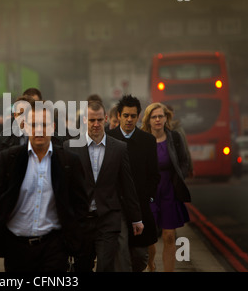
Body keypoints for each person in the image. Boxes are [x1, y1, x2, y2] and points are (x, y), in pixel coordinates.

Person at [0, 101, 89, 272]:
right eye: (34, 125)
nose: (39, 130)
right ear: (24, 127)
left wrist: (77, 243)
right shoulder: (9, 159)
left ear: (53, 127)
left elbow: (79, 205)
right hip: (17, 247)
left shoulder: (68, 162)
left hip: (53, 246)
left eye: (44, 124)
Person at [64, 101, 143, 272]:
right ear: (85, 120)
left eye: (100, 120)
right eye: (92, 120)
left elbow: (127, 185)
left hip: (108, 219)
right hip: (81, 221)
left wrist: (136, 218)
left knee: (106, 266)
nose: (96, 124)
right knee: (81, 267)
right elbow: (65, 187)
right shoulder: (70, 147)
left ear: (106, 119)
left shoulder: (119, 148)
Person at [107, 95, 161, 272]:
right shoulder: (108, 139)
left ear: (138, 117)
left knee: (140, 256)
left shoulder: (148, 141)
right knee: (121, 253)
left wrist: (146, 197)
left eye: (133, 116)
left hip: (140, 205)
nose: (129, 119)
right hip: (116, 206)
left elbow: (154, 174)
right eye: (125, 115)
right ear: (119, 116)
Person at [141, 102, 191, 272]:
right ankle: (151, 264)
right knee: (149, 238)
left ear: (166, 118)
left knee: (169, 236)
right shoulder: (142, 140)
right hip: (150, 192)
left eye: (160, 116)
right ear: (148, 120)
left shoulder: (174, 138)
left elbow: (185, 161)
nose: (157, 120)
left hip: (169, 190)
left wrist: (179, 177)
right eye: (153, 117)